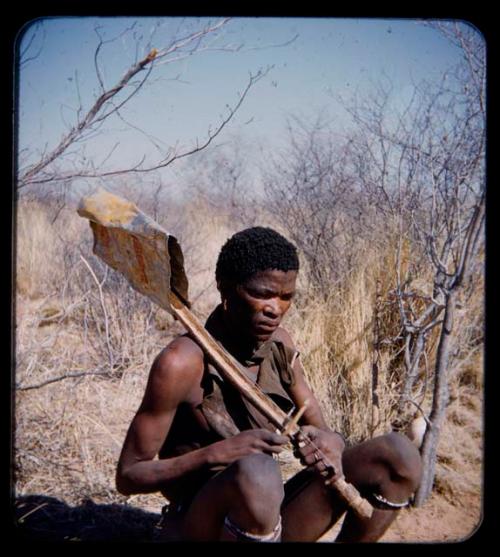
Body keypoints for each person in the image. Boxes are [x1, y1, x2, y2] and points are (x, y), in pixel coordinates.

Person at [116, 227, 422, 542]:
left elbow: (324, 432)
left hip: (267, 518)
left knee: (398, 456)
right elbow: (128, 476)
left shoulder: (279, 347)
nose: (274, 308)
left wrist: (332, 444)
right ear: (226, 288)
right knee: (258, 473)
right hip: (202, 522)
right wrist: (217, 454)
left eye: (285, 297)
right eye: (261, 293)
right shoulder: (180, 363)